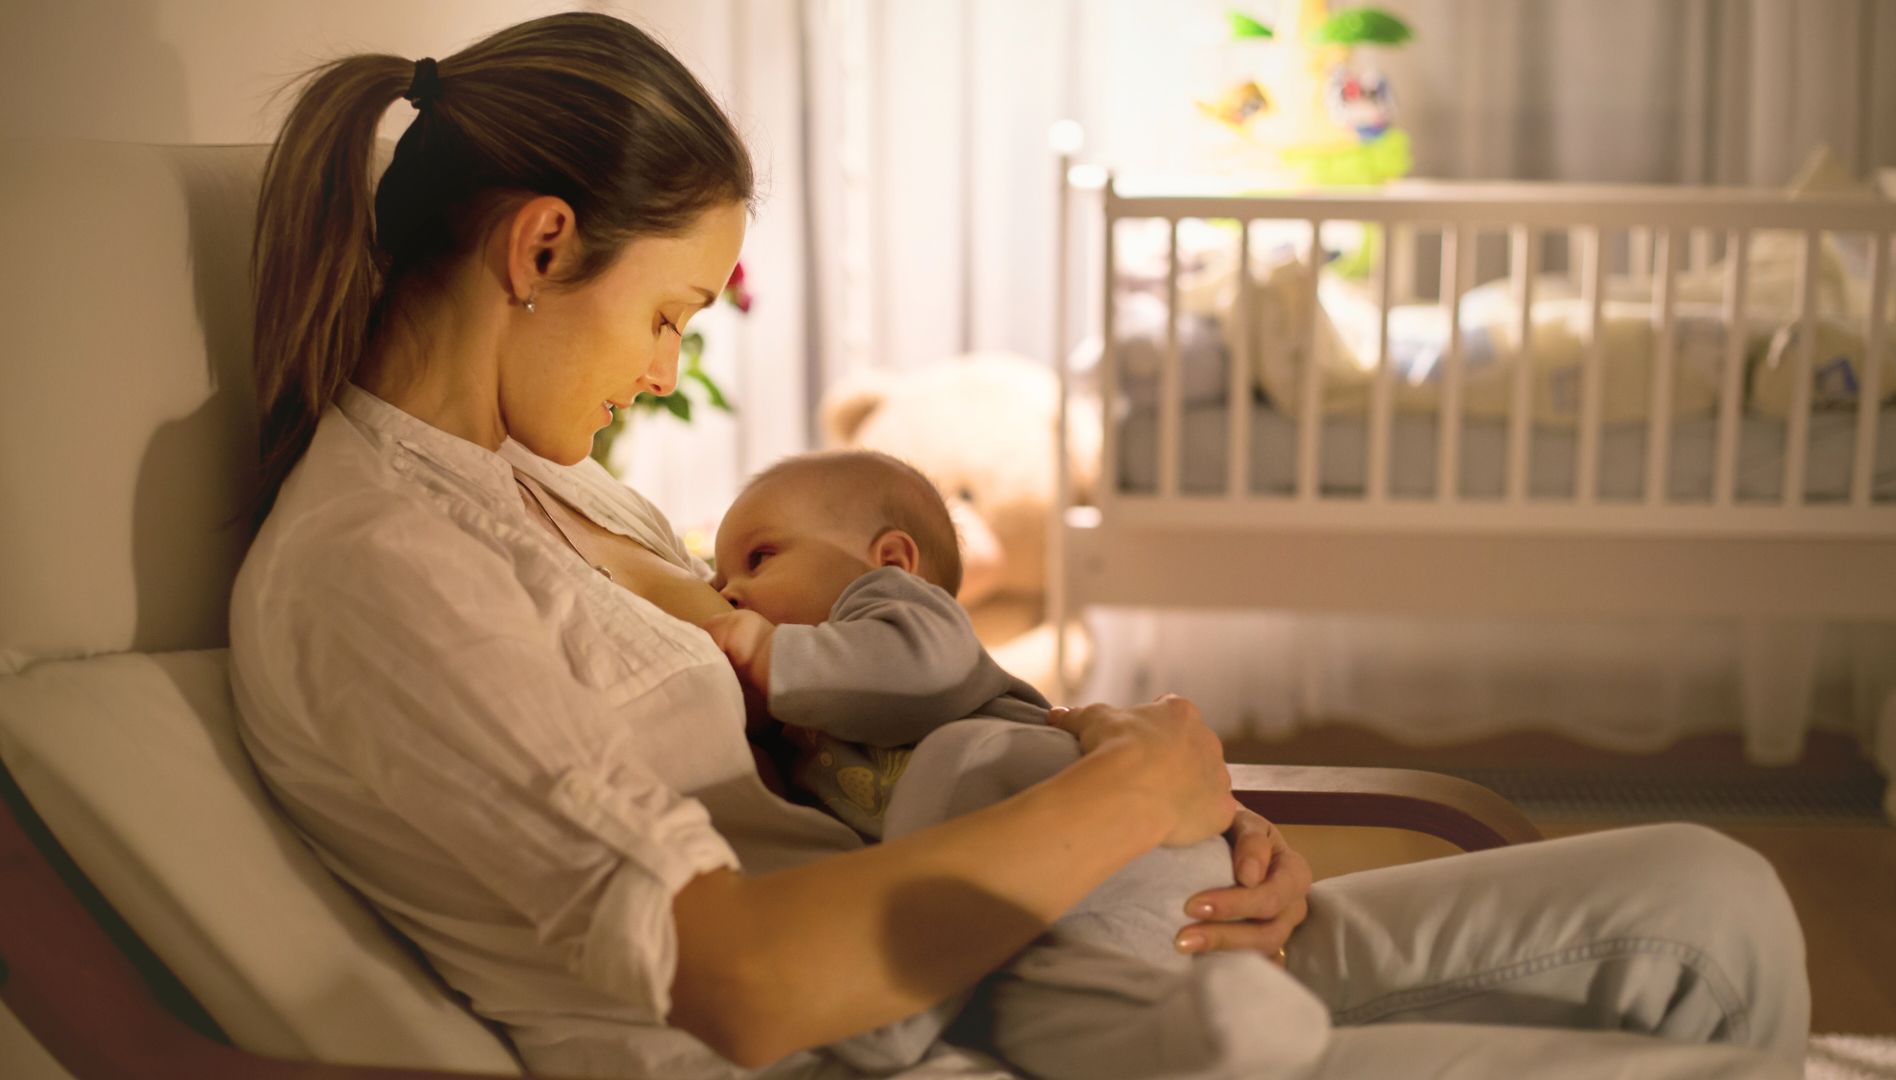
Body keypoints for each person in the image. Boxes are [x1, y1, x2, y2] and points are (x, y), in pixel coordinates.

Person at [228, 11, 1810, 1080]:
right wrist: (1129, 797)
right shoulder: (378, 571)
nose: (662, 370)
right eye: (668, 315)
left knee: (1716, 897)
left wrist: (1122, 782)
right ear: (543, 244)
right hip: (979, 1019)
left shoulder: (563, 494)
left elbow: (838, 738)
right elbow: (742, 982)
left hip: (1031, 917)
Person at [698, 448, 1327, 1077]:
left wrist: (774, 652)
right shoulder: (801, 729)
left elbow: (922, 670)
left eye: (759, 558)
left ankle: (891, 1009)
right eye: (717, 580)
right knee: (1022, 1007)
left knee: (953, 757)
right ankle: (1226, 1030)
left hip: (1104, 826)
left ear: (892, 558)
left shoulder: (899, 610)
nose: (729, 593)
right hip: (1073, 903)